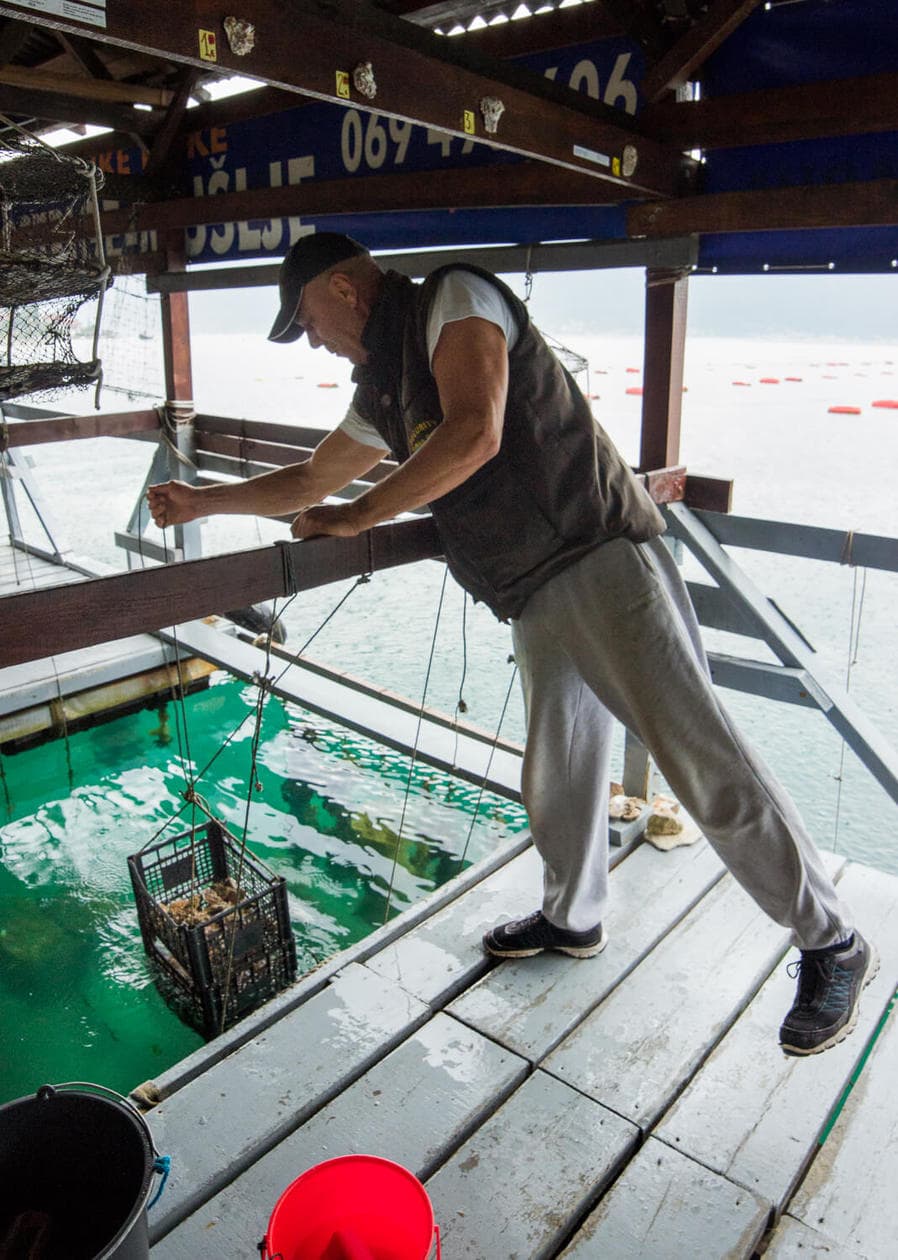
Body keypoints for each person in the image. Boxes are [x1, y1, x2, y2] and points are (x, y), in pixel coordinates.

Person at [148, 231, 877, 1056]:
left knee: (701, 757)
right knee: (557, 769)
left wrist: (360, 516)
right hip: (531, 589)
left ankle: (830, 939)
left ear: (346, 289)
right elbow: (311, 480)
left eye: (306, 319)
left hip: (598, 557)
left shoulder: (452, 299)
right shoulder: (385, 388)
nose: (311, 337)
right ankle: (574, 918)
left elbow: (476, 432)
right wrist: (204, 501)